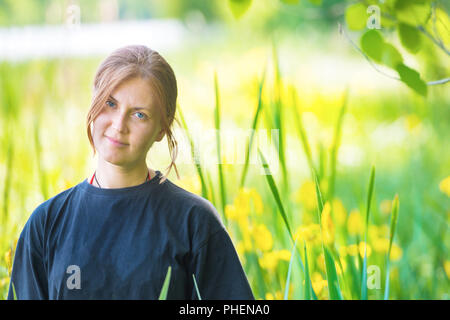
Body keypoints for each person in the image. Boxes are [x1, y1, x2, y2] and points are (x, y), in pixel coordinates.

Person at [7, 45, 254, 300]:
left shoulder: (194, 222)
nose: (118, 125)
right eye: (110, 103)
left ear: (161, 129)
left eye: (139, 115)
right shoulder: (46, 223)